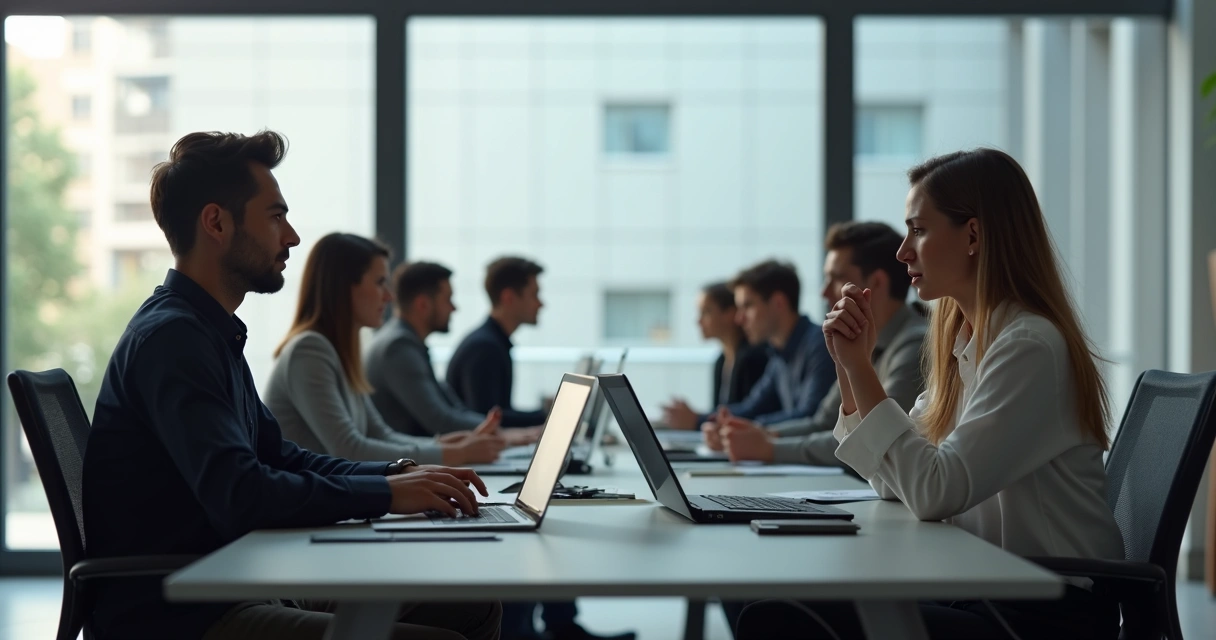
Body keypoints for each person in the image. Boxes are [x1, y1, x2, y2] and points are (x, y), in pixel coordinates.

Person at [82, 130, 501, 640]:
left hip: (238, 580)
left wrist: (393, 474)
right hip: (186, 610)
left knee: (473, 603)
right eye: (276, 216)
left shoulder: (207, 330)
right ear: (216, 222)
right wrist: (384, 494)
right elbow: (243, 493)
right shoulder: (174, 340)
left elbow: (281, 456)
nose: (293, 237)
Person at [735, 148, 1123, 639]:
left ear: (974, 236)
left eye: (918, 229)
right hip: (986, 585)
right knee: (776, 595)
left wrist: (862, 368)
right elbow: (891, 480)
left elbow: (936, 489)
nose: (903, 252)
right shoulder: (967, 342)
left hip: (1041, 612)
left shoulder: (1029, 347)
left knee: (779, 612)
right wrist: (849, 372)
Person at [266, 233, 506, 467]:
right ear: (345, 288)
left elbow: (381, 435)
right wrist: (454, 453)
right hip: (310, 505)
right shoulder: (309, 351)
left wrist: (445, 444)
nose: (389, 296)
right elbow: (349, 450)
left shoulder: (337, 352)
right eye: (380, 283)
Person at [709, 222, 927, 466]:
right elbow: (824, 423)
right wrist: (758, 436)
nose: (824, 292)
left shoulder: (915, 345)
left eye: (836, 278)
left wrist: (769, 448)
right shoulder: (862, 345)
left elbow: (875, 443)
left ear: (875, 283)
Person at [366, 261, 539, 445]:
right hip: (408, 462)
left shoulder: (408, 343)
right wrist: (507, 434)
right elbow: (440, 421)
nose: (454, 308)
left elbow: (453, 410)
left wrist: (510, 432)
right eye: (447, 299)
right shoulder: (398, 347)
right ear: (423, 305)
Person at [695, 260, 836, 439]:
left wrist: (743, 429)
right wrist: (715, 422)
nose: (739, 319)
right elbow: (752, 407)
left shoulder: (821, 344)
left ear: (778, 303)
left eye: (748, 306)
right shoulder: (778, 353)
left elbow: (813, 417)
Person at [446, 256, 548, 427]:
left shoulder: (491, 342)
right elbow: (488, 419)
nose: (541, 304)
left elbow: (498, 412)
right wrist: (549, 415)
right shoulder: (484, 348)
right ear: (508, 297)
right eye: (534, 294)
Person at [659, 281, 770, 430]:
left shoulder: (753, 357)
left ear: (730, 314)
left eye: (706, 312)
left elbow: (749, 414)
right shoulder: (720, 361)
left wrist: (697, 420)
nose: (698, 321)